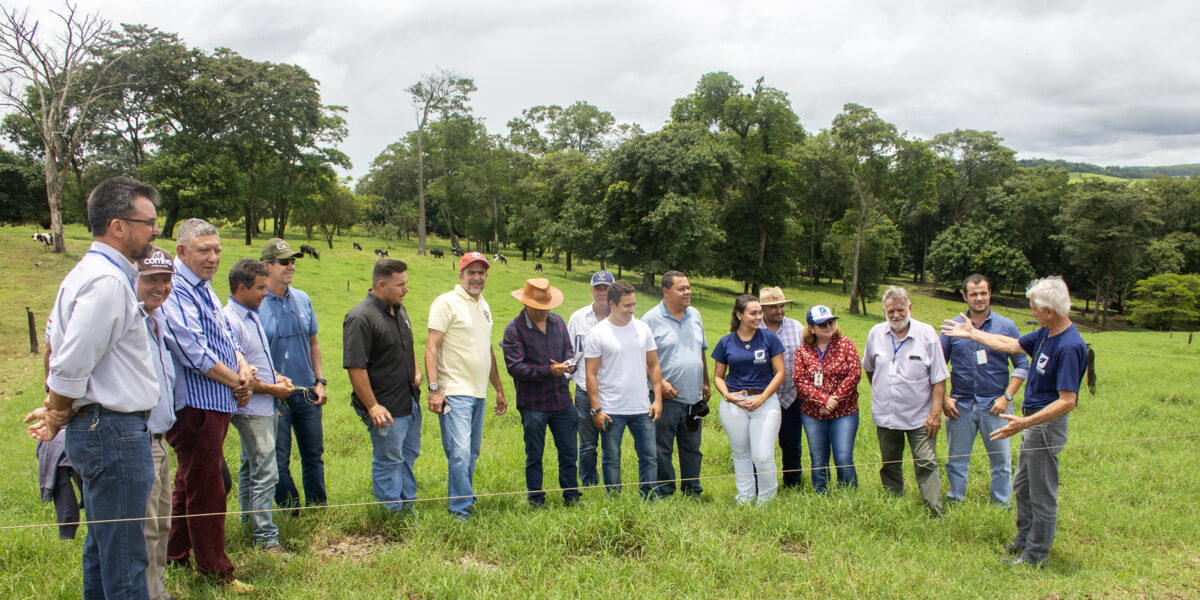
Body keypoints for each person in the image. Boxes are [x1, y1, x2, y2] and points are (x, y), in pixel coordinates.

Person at [25, 176, 162, 599]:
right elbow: (70, 363)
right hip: (113, 431)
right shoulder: (106, 281)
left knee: (105, 549)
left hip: (104, 428)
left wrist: (59, 407)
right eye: (148, 222)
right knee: (125, 559)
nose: (155, 230)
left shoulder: (93, 274)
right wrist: (57, 410)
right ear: (118, 226)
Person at [941, 276, 1087, 568]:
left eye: (1034, 307)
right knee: (1023, 486)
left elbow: (1067, 401)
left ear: (1049, 311)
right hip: (1031, 422)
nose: (1031, 312)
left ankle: (1035, 557)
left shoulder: (1070, 345)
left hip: (1045, 424)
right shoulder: (1046, 333)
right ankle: (1023, 541)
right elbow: (1011, 345)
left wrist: (1025, 422)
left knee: (1042, 494)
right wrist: (973, 334)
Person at [161, 218, 255, 592]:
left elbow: (226, 336)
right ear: (181, 251)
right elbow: (193, 351)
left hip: (216, 401)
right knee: (208, 488)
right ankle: (215, 571)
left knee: (189, 482)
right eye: (204, 250)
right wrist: (239, 382)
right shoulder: (176, 289)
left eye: (217, 249)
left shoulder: (204, 289)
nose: (213, 257)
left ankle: (172, 555)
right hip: (196, 406)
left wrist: (242, 366)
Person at [425, 251, 508, 519]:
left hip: (478, 391)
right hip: (454, 391)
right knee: (459, 451)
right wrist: (434, 389)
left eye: (481, 272)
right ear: (460, 274)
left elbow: (487, 349)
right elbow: (431, 347)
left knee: (471, 451)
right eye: (471, 272)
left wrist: (499, 389)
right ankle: (459, 511)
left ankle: (464, 501)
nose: (476, 277)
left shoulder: (484, 306)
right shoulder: (445, 302)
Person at [940, 274, 1029, 506]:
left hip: (995, 405)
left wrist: (1007, 397)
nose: (979, 298)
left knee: (1001, 461)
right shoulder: (952, 327)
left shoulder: (1006, 327)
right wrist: (945, 399)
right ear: (965, 296)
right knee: (956, 460)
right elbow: (938, 366)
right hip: (961, 405)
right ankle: (955, 501)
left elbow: (1022, 365)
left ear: (990, 294)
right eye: (974, 294)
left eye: (983, 293)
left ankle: (1001, 504)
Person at [224, 258, 293, 550]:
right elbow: (241, 376)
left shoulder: (251, 315)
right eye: (260, 288)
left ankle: (247, 523)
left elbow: (256, 362)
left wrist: (276, 377)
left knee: (249, 466)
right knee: (266, 470)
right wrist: (273, 389)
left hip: (264, 407)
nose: (265, 293)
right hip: (251, 409)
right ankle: (266, 538)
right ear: (242, 288)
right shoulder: (231, 321)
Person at [344, 259, 423, 513]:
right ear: (381, 284)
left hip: (409, 402)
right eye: (400, 285)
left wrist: (416, 369)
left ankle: (407, 507)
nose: (406, 289)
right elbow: (356, 367)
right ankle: (390, 516)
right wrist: (373, 406)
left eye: (406, 283)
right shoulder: (360, 318)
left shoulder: (399, 309)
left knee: (408, 456)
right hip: (385, 408)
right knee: (389, 461)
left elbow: (407, 345)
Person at [862, 286, 948, 518]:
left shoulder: (927, 334)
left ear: (909, 307)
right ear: (884, 311)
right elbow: (869, 368)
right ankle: (894, 507)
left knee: (926, 462)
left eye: (900, 309)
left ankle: (934, 512)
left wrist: (936, 413)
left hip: (921, 417)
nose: (896, 315)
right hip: (887, 415)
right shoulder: (875, 333)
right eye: (890, 311)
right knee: (890, 463)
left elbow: (939, 377)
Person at [258, 238, 328, 512]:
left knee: (314, 455)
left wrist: (319, 381)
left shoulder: (302, 298)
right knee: (278, 459)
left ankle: (317, 508)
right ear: (266, 265)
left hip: (307, 391)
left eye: (293, 261)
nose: (291, 266)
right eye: (284, 262)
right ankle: (291, 510)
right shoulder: (257, 302)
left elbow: (314, 342)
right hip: (275, 395)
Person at [500, 278, 580, 507]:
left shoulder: (558, 322)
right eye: (540, 307)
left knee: (569, 452)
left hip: (562, 400)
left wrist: (570, 364)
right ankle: (536, 500)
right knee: (534, 454)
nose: (545, 311)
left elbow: (568, 350)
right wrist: (548, 371)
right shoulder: (513, 330)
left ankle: (572, 497)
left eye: (548, 306)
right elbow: (515, 367)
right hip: (533, 404)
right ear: (526, 304)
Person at [583, 280, 664, 498]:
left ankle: (649, 497)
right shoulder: (598, 333)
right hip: (611, 409)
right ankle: (614, 499)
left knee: (649, 456)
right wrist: (596, 409)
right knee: (611, 458)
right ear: (612, 304)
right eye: (627, 305)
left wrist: (657, 399)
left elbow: (654, 365)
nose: (632, 309)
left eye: (634, 304)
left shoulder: (643, 329)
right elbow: (591, 374)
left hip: (642, 408)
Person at [642, 271, 710, 498]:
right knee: (662, 449)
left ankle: (693, 491)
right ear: (666, 291)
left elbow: (701, 350)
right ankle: (665, 492)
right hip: (665, 399)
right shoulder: (650, 320)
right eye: (681, 288)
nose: (687, 292)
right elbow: (641, 359)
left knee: (693, 448)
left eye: (688, 287)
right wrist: (660, 383)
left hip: (693, 397)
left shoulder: (695, 315)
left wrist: (705, 382)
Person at [712, 294, 786, 504]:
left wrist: (762, 398)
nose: (758, 317)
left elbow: (780, 372)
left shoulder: (769, 338)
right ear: (739, 315)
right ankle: (744, 498)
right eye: (753, 313)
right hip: (734, 404)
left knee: (762, 455)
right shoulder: (726, 342)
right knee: (741, 453)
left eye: (759, 313)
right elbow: (718, 377)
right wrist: (727, 395)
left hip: (765, 402)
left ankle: (766, 501)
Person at [138, 246, 178, 600]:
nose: (161, 287)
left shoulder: (158, 320)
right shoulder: (130, 322)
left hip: (161, 437)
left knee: (163, 521)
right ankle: (147, 593)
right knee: (146, 527)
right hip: (138, 438)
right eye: (152, 279)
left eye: (166, 279)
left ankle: (158, 590)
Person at [791, 305, 862, 491]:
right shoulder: (803, 350)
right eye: (823, 324)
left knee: (843, 457)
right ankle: (821, 493)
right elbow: (799, 380)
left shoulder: (846, 344)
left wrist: (833, 400)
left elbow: (854, 374)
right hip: (813, 413)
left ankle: (848, 494)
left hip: (844, 411)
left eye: (831, 322)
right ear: (811, 328)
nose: (829, 326)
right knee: (818, 457)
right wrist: (822, 400)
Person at [566, 270, 614, 486]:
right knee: (587, 443)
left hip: (612, 390)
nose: (602, 293)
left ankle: (611, 483)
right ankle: (588, 482)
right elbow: (569, 353)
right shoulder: (578, 318)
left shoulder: (621, 316)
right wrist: (565, 384)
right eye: (598, 288)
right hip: (584, 390)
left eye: (606, 288)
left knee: (611, 441)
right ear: (591, 290)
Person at [758, 286, 806, 490]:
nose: (779, 310)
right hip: (761, 397)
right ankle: (761, 483)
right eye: (773, 307)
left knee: (791, 443)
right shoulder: (754, 328)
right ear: (762, 309)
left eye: (781, 306)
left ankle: (792, 483)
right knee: (761, 445)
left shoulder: (797, 328)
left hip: (791, 396)